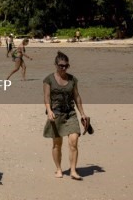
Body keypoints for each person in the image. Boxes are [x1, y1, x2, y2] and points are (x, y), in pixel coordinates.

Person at [43, 51, 89, 180]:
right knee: (57, 144)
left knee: (74, 141)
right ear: (56, 65)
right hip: (56, 114)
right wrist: (49, 110)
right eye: (61, 66)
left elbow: (77, 96)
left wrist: (83, 113)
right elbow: (46, 97)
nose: (63, 68)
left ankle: (73, 170)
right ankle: (58, 169)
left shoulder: (72, 79)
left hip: (70, 113)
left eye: (66, 66)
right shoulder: (49, 79)